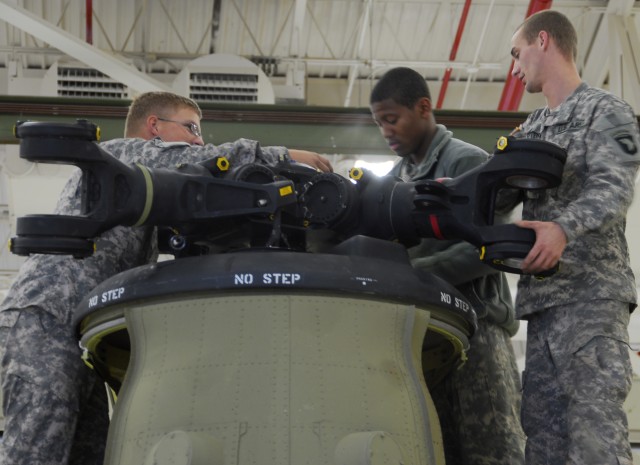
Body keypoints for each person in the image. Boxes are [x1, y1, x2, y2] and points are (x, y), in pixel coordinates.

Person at [0, 91, 332, 465]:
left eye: (199, 132)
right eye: (190, 127)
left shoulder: (151, 198)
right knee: (37, 447)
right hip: (46, 317)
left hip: (77, 327)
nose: (198, 139)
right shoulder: (125, 153)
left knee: (88, 451)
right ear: (154, 127)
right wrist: (282, 157)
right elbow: (199, 160)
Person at [369, 67, 525, 465]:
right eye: (378, 123)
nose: (386, 131)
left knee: (493, 452)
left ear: (424, 108)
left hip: (477, 335)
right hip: (422, 337)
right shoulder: (391, 184)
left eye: (391, 119)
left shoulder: (466, 163)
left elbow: (489, 248)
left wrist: (416, 274)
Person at [507, 10, 640, 465]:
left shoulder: (609, 112)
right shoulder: (529, 131)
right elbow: (493, 185)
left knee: (595, 438)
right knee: (542, 442)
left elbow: (615, 188)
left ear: (542, 41)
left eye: (517, 52)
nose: (514, 66)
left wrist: (563, 229)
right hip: (542, 307)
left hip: (591, 301)